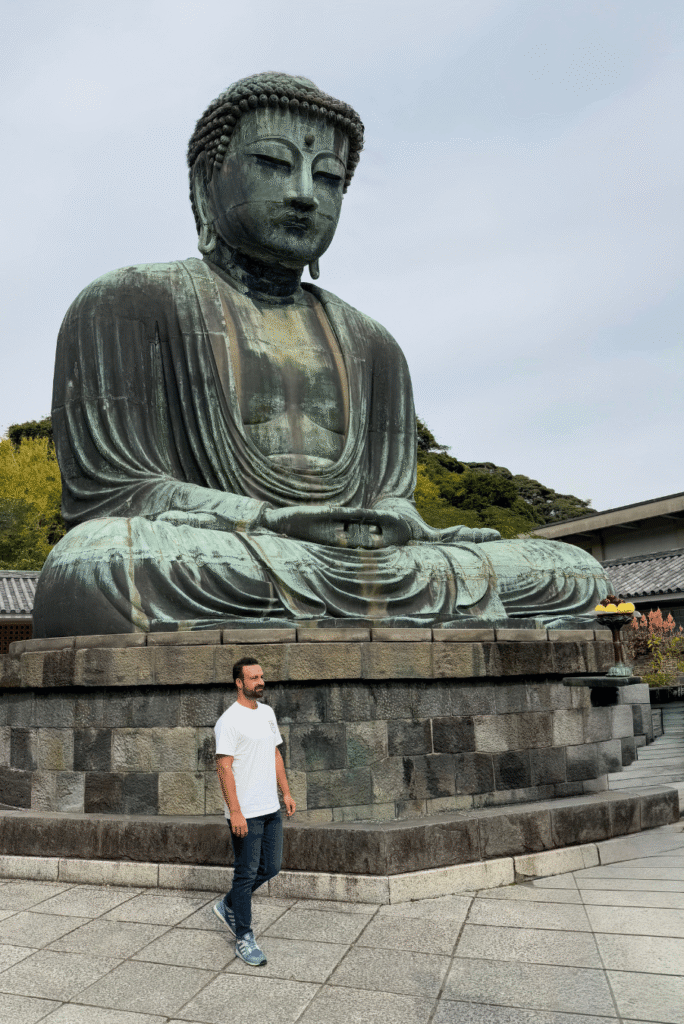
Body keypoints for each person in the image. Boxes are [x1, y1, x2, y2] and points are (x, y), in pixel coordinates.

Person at [32, 71, 609, 637]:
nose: (305, 194)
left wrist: (400, 525)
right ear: (208, 182)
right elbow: (116, 495)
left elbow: (391, 497)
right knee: (98, 562)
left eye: (328, 177)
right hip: (229, 550)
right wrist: (263, 518)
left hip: (362, 566)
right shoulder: (128, 302)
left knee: (573, 572)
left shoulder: (373, 344)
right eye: (275, 164)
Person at [213, 656, 295, 966]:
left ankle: (229, 904)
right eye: (253, 678)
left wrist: (285, 792)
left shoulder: (268, 713)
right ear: (239, 683)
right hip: (245, 811)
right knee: (246, 873)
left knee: (270, 868)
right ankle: (244, 937)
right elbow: (223, 767)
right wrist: (235, 811)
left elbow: (275, 753)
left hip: (270, 807)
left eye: (261, 676)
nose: (260, 682)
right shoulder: (229, 721)